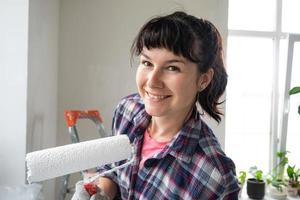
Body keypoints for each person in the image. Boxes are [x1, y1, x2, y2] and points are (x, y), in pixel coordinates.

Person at [72, 11, 240, 200]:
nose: (152, 82)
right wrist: (101, 191)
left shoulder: (215, 176)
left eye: (172, 67)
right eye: (147, 62)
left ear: (203, 79)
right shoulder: (127, 110)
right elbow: (112, 169)